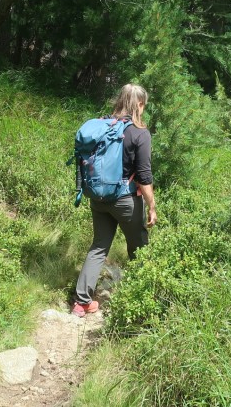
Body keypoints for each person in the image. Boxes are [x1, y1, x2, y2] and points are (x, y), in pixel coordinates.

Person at [72, 83, 157, 317]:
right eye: (144, 105)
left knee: (99, 247)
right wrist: (151, 206)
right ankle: (142, 298)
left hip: (98, 198)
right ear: (139, 104)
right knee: (139, 247)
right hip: (126, 200)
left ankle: (81, 304)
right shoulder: (139, 133)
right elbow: (144, 176)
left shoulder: (103, 127)